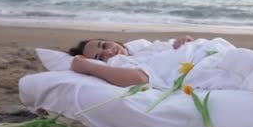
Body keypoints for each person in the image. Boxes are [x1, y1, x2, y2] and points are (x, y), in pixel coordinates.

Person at [67, 36, 195, 87]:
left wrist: (184, 40)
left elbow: (180, 44)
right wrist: (89, 67)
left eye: (105, 45)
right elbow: (141, 79)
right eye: (100, 58)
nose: (108, 52)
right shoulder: (120, 64)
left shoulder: (143, 46)